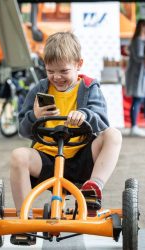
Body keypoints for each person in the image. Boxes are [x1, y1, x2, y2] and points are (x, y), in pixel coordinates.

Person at [10, 32, 122, 234]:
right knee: (18, 155)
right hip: (47, 160)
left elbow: (102, 120)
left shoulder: (88, 87)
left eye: (63, 70)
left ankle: (92, 189)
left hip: (80, 159)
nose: (57, 77)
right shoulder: (40, 90)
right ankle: (23, 220)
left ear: (79, 64)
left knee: (113, 134)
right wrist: (34, 116)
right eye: (50, 71)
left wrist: (84, 115)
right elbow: (23, 129)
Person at [125, 19, 145, 137]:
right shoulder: (138, 41)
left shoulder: (138, 41)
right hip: (138, 75)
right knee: (138, 100)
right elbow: (139, 58)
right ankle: (134, 126)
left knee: (141, 100)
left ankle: (138, 126)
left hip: (139, 75)